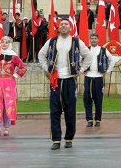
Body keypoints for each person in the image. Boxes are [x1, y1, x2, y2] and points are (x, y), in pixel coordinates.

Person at [38, 19, 92, 150]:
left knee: (70, 111)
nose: (63, 26)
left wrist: (81, 70)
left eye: (66, 24)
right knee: (55, 111)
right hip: (55, 80)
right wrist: (47, 68)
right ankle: (56, 140)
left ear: (70, 27)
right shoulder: (51, 41)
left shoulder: (76, 41)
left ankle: (69, 138)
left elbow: (88, 56)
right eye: (61, 24)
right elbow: (41, 55)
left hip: (70, 80)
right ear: (58, 27)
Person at [0, 36, 27, 137]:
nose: (4, 44)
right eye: (2, 42)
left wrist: (16, 75)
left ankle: (7, 127)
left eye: (6, 42)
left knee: (9, 104)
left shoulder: (14, 57)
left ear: (10, 44)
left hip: (9, 83)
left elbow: (23, 67)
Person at [84, 33, 115, 127]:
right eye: (92, 38)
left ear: (98, 40)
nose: (93, 40)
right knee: (87, 99)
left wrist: (108, 70)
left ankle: (98, 119)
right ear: (90, 39)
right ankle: (89, 119)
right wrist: (81, 70)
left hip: (99, 77)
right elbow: (78, 59)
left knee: (98, 99)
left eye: (95, 38)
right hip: (88, 77)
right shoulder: (86, 50)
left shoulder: (103, 50)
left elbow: (112, 60)